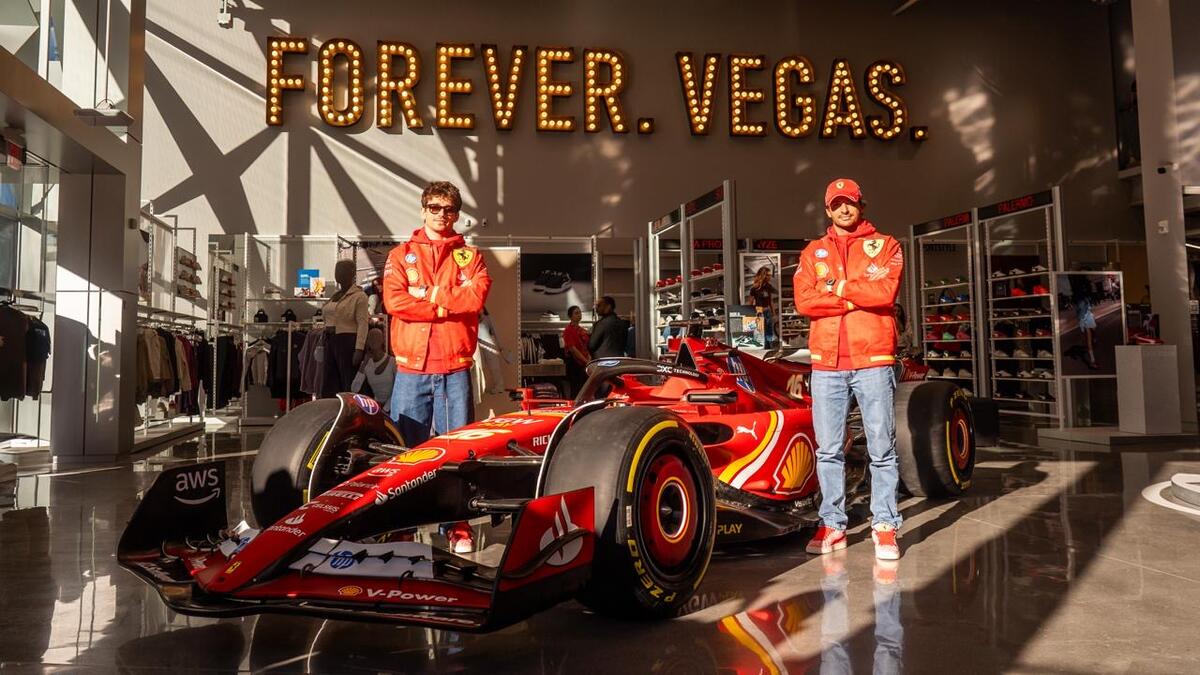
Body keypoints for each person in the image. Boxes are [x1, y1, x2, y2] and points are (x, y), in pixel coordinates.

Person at [794, 178, 904, 561]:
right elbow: (805, 302)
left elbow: (884, 294)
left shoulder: (886, 245)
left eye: (850, 203)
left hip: (872, 360)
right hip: (826, 363)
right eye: (837, 204)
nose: (844, 209)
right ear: (828, 209)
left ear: (861, 205)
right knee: (828, 451)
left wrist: (836, 286)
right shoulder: (812, 251)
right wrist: (855, 296)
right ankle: (832, 524)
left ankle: (885, 524)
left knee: (882, 448)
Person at [383, 180, 492, 553]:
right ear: (422, 209)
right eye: (434, 207)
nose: (441, 215)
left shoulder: (470, 256)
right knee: (406, 453)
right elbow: (395, 302)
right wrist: (449, 304)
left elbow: (475, 297)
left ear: (457, 214)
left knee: (456, 452)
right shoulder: (400, 255)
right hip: (411, 369)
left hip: (455, 367)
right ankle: (403, 523)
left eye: (448, 209)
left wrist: (428, 295)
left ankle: (456, 524)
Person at [323, 259, 370, 393]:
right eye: (337, 270)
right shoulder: (334, 296)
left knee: (348, 380)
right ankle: (334, 410)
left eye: (343, 270)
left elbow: (363, 323)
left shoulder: (359, 296)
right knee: (330, 380)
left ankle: (351, 411)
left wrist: (359, 348)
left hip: (347, 341)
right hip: (330, 340)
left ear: (352, 273)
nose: (338, 274)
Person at [350, 326, 395, 414]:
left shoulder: (392, 362)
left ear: (382, 340)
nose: (374, 341)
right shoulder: (366, 363)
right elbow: (354, 389)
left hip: (392, 407)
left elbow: (397, 390)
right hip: (376, 407)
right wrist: (364, 364)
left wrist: (385, 409)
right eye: (371, 338)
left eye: (377, 338)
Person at [747, 265, 780, 349]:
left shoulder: (768, 286)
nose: (769, 277)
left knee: (769, 330)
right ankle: (764, 347)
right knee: (761, 331)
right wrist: (749, 314)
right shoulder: (754, 288)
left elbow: (770, 300)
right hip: (759, 312)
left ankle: (769, 347)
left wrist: (774, 313)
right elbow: (750, 302)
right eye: (768, 275)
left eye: (770, 275)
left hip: (767, 311)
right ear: (763, 275)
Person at [562, 305, 591, 397]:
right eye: (576, 313)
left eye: (580, 312)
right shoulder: (568, 330)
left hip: (585, 362)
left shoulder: (583, 330)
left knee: (585, 388)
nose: (579, 315)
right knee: (576, 388)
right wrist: (586, 361)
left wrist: (588, 358)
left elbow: (588, 346)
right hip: (574, 363)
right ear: (571, 316)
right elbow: (572, 349)